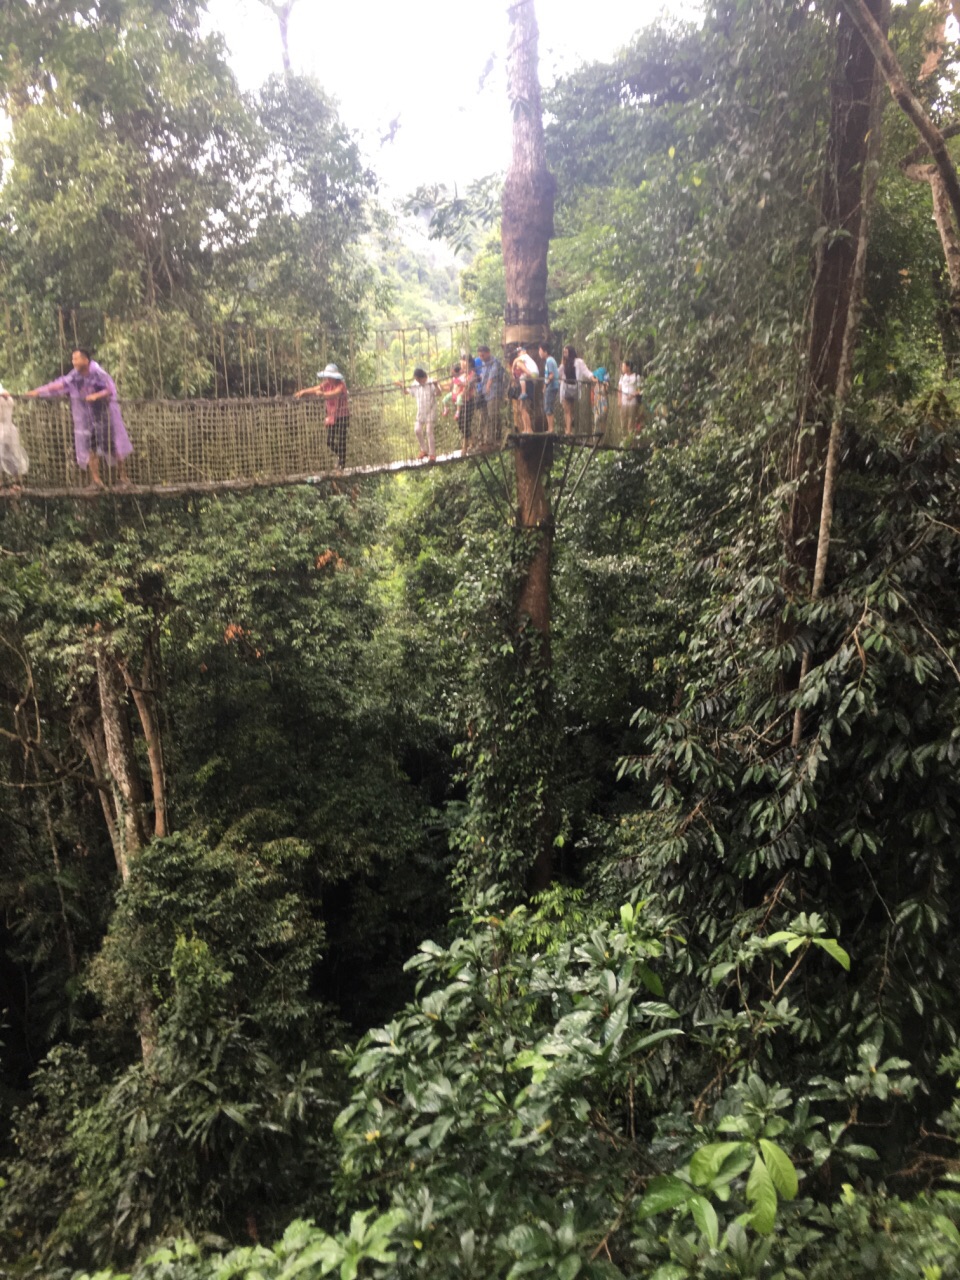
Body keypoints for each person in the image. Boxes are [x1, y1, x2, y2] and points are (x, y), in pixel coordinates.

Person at [26, 348, 132, 487]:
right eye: (72, 359)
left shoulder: (98, 372)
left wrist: (96, 396)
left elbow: (110, 389)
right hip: (90, 418)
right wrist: (38, 392)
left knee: (114, 446)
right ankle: (96, 481)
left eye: (76, 359)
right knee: (91, 448)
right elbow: (60, 385)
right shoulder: (75, 375)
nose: (73, 362)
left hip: (106, 416)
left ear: (85, 360)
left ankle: (123, 477)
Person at [296, 362, 350, 468]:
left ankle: (342, 464)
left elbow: (336, 393)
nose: (329, 379)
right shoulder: (327, 384)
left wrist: (323, 394)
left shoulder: (341, 385)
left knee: (342, 440)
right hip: (332, 416)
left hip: (343, 416)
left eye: (330, 377)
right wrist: (303, 392)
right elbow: (316, 389)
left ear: (335, 377)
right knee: (329, 441)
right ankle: (341, 457)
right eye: (327, 377)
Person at [396, 366, 439, 461]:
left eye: (418, 379)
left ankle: (432, 454)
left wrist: (436, 385)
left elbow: (439, 393)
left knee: (429, 431)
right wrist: (401, 386)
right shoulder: (415, 384)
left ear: (423, 377)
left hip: (431, 410)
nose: (418, 381)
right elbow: (407, 392)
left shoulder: (431, 382)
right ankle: (424, 450)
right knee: (417, 430)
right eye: (416, 379)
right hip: (421, 411)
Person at [559, 345, 596, 436]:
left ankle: (568, 430)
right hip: (565, 388)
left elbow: (586, 371)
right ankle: (568, 429)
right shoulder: (564, 363)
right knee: (567, 410)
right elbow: (558, 373)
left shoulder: (578, 362)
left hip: (574, 389)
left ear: (570, 352)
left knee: (569, 410)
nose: (564, 354)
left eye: (566, 352)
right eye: (564, 353)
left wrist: (593, 378)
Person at [0, 383, 29, 488]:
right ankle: (11, 482)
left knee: (13, 455)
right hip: (8, 429)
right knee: (6, 454)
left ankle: (17, 482)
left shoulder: (4, 394)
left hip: (6, 429)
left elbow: (5, 393)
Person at [476, 344, 505, 445]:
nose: (481, 358)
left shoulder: (495, 362)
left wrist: (488, 385)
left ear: (488, 353)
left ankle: (495, 438)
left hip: (493, 393)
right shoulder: (484, 364)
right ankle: (486, 438)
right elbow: (483, 376)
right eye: (479, 355)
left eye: (482, 355)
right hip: (484, 394)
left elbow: (491, 377)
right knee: (485, 416)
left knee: (493, 415)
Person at [511, 348, 539, 433]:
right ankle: (525, 428)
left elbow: (517, 361)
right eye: (518, 353)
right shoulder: (525, 360)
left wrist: (513, 369)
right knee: (521, 408)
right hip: (531, 378)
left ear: (524, 351)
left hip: (531, 377)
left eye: (520, 352)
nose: (519, 354)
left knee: (524, 408)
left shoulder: (524, 357)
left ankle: (529, 428)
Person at [619, 359, 642, 441]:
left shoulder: (636, 377)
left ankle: (631, 440)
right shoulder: (622, 377)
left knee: (631, 421)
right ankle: (623, 439)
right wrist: (619, 401)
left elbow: (639, 390)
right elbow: (619, 389)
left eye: (623, 366)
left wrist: (633, 395)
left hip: (633, 403)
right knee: (623, 422)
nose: (622, 368)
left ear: (628, 367)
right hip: (624, 403)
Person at [539, 343, 559, 432]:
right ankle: (550, 428)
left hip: (551, 386)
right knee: (548, 406)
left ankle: (551, 428)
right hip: (551, 386)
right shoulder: (550, 360)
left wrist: (546, 384)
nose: (539, 353)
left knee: (548, 406)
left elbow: (551, 375)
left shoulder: (549, 361)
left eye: (540, 350)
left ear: (545, 352)